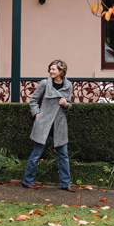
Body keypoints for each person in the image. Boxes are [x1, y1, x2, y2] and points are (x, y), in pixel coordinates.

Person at [22, 59, 74, 191]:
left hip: (59, 124)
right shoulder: (45, 83)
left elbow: (69, 105)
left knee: (64, 155)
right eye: (50, 69)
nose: (51, 71)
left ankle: (65, 184)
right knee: (36, 154)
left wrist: (66, 105)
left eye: (54, 69)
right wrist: (37, 115)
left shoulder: (68, 85)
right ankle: (27, 181)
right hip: (44, 123)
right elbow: (33, 101)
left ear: (61, 71)